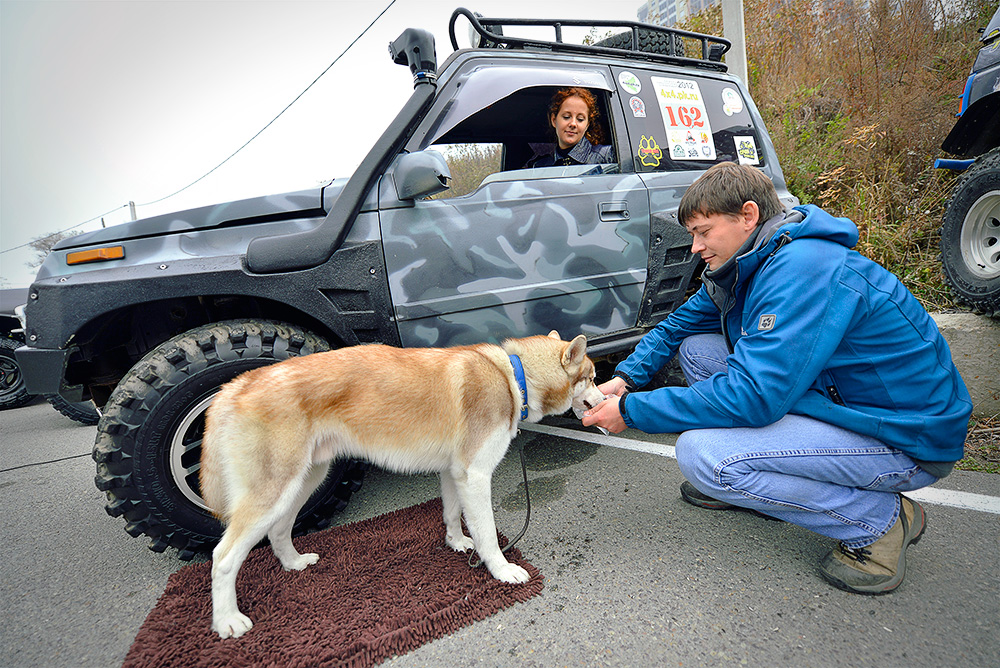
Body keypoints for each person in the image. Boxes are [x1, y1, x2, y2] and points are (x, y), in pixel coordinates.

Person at [582, 161, 972, 595]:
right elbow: (678, 325)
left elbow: (753, 397)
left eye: (703, 231)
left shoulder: (802, 269)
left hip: (905, 439)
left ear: (748, 216)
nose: (694, 247)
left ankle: (879, 521)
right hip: (845, 404)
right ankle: (757, 483)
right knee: (698, 350)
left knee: (703, 455)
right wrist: (627, 380)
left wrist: (632, 411)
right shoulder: (748, 264)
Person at [524, 87, 615, 168]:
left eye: (580, 119)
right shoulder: (540, 166)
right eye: (566, 117)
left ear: (587, 125)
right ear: (553, 120)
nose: (573, 124)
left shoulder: (607, 156)